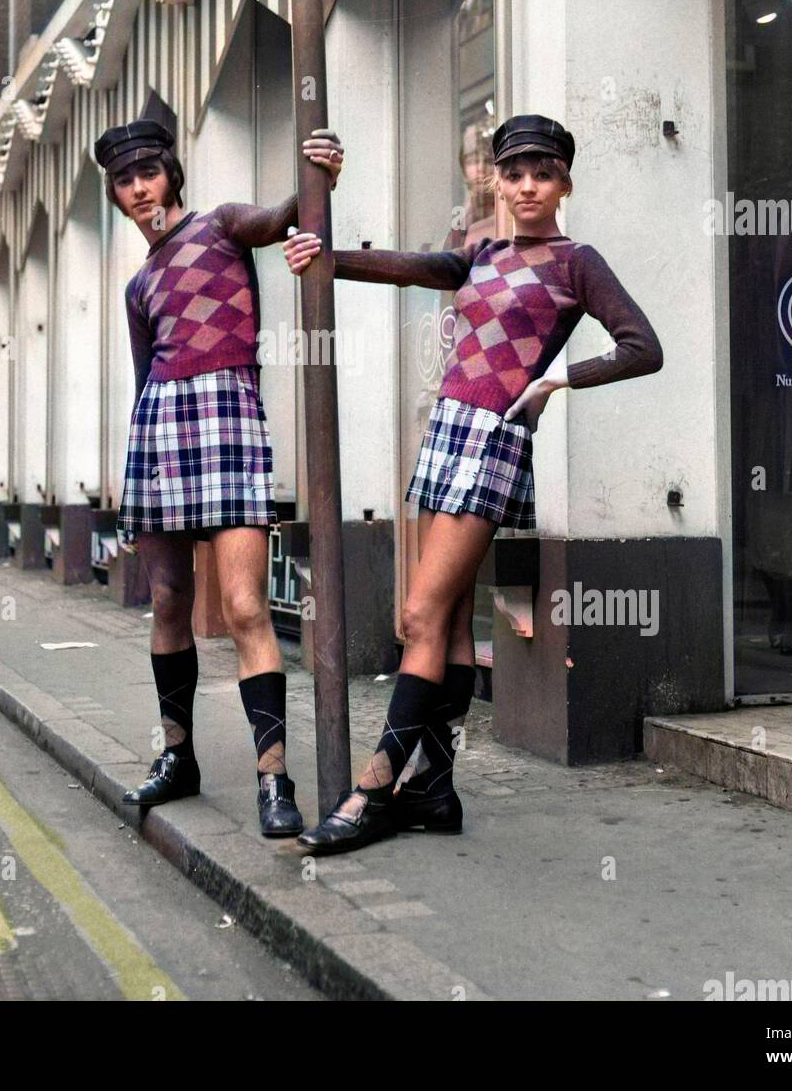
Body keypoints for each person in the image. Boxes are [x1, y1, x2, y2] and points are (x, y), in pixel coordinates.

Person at [282, 113, 664, 853]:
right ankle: (434, 790)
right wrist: (320, 251)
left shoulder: (575, 261)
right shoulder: (478, 255)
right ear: (495, 179)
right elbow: (400, 265)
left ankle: (372, 790)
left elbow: (641, 347)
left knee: (418, 619)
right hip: (447, 432)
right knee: (445, 622)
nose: (527, 187)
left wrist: (555, 379)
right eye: (514, 173)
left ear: (564, 184)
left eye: (543, 174)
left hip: (492, 438)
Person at [93, 117, 343, 838]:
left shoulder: (223, 225)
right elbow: (144, 380)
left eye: (148, 172)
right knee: (169, 597)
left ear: (171, 173)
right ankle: (179, 759)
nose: (139, 188)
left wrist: (316, 173)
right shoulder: (138, 285)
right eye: (124, 180)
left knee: (242, 607)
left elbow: (276, 218)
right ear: (114, 194)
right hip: (161, 430)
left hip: (229, 418)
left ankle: (273, 780)